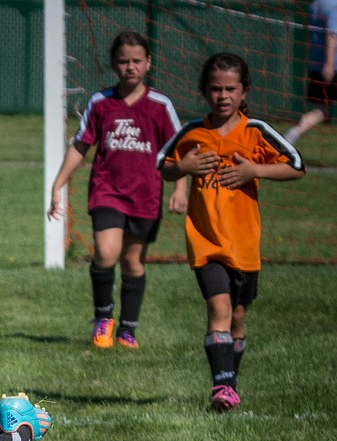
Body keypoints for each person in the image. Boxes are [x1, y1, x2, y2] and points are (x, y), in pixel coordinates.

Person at [157, 53, 304, 411]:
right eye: (216, 88)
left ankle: (230, 384)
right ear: (205, 91)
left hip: (244, 243)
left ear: (244, 91)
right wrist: (186, 166)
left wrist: (255, 170)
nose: (223, 95)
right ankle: (221, 387)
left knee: (238, 316)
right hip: (205, 241)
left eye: (230, 89)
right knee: (219, 307)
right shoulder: (193, 132)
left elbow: (296, 166)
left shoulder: (255, 131)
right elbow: (163, 166)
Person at [47, 30, 188, 350]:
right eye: (124, 61)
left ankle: (128, 329)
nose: (130, 67)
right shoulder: (101, 103)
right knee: (106, 254)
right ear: (114, 64)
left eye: (137, 61)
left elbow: (180, 150)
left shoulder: (160, 105)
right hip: (107, 192)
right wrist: (58, 184)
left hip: (145, 195)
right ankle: (103, 318)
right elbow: (80, 146)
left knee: (133, 262)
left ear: (148, 63)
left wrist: (180, 189)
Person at [285, 0, 337, 145]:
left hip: (317, 64)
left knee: (321, 110)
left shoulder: (315, 5)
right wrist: (330, 63)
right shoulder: (333, 5)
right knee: (321, 110)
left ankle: (293, 133)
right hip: (331, 65)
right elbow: (332, 34)